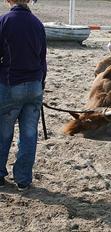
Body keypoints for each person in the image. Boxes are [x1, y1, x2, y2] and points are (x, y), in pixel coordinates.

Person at [0, 0, 47, 191]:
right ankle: (23, 179)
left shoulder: (4, 21)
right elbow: (42, 59)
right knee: (29, 135)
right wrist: (40, 84)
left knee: (3, 133)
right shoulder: (37, 24)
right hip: (35, 85)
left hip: (11, 83)